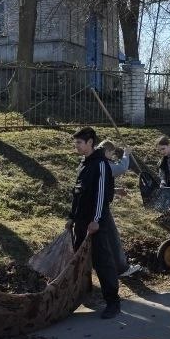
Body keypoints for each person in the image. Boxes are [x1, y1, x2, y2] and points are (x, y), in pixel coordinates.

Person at [67, 126, 121, 319]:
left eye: (79, 143)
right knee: (79, 259)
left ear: (90, 142)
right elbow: (77, 194)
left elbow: (102, 196)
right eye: (76, 143)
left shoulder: (100, 164)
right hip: (81, 222)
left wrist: (96, 220)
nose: (77, 147)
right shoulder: (84, 163)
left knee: (102, 261)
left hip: (96, 222)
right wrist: (71, 217)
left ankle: (113, 302)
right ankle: (82, 295)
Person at [97, 141, 143, 278]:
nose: (112, 156)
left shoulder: (93, 161)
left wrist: (115, 191)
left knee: (101, 239)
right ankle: (122, 269)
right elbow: (121, 168)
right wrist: (126, 154)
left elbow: (101, 186)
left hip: (93, 204)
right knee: (113, 237)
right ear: (107, 151)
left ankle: (104, 266)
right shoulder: (103, 163)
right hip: (100, 207)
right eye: (111, 153)